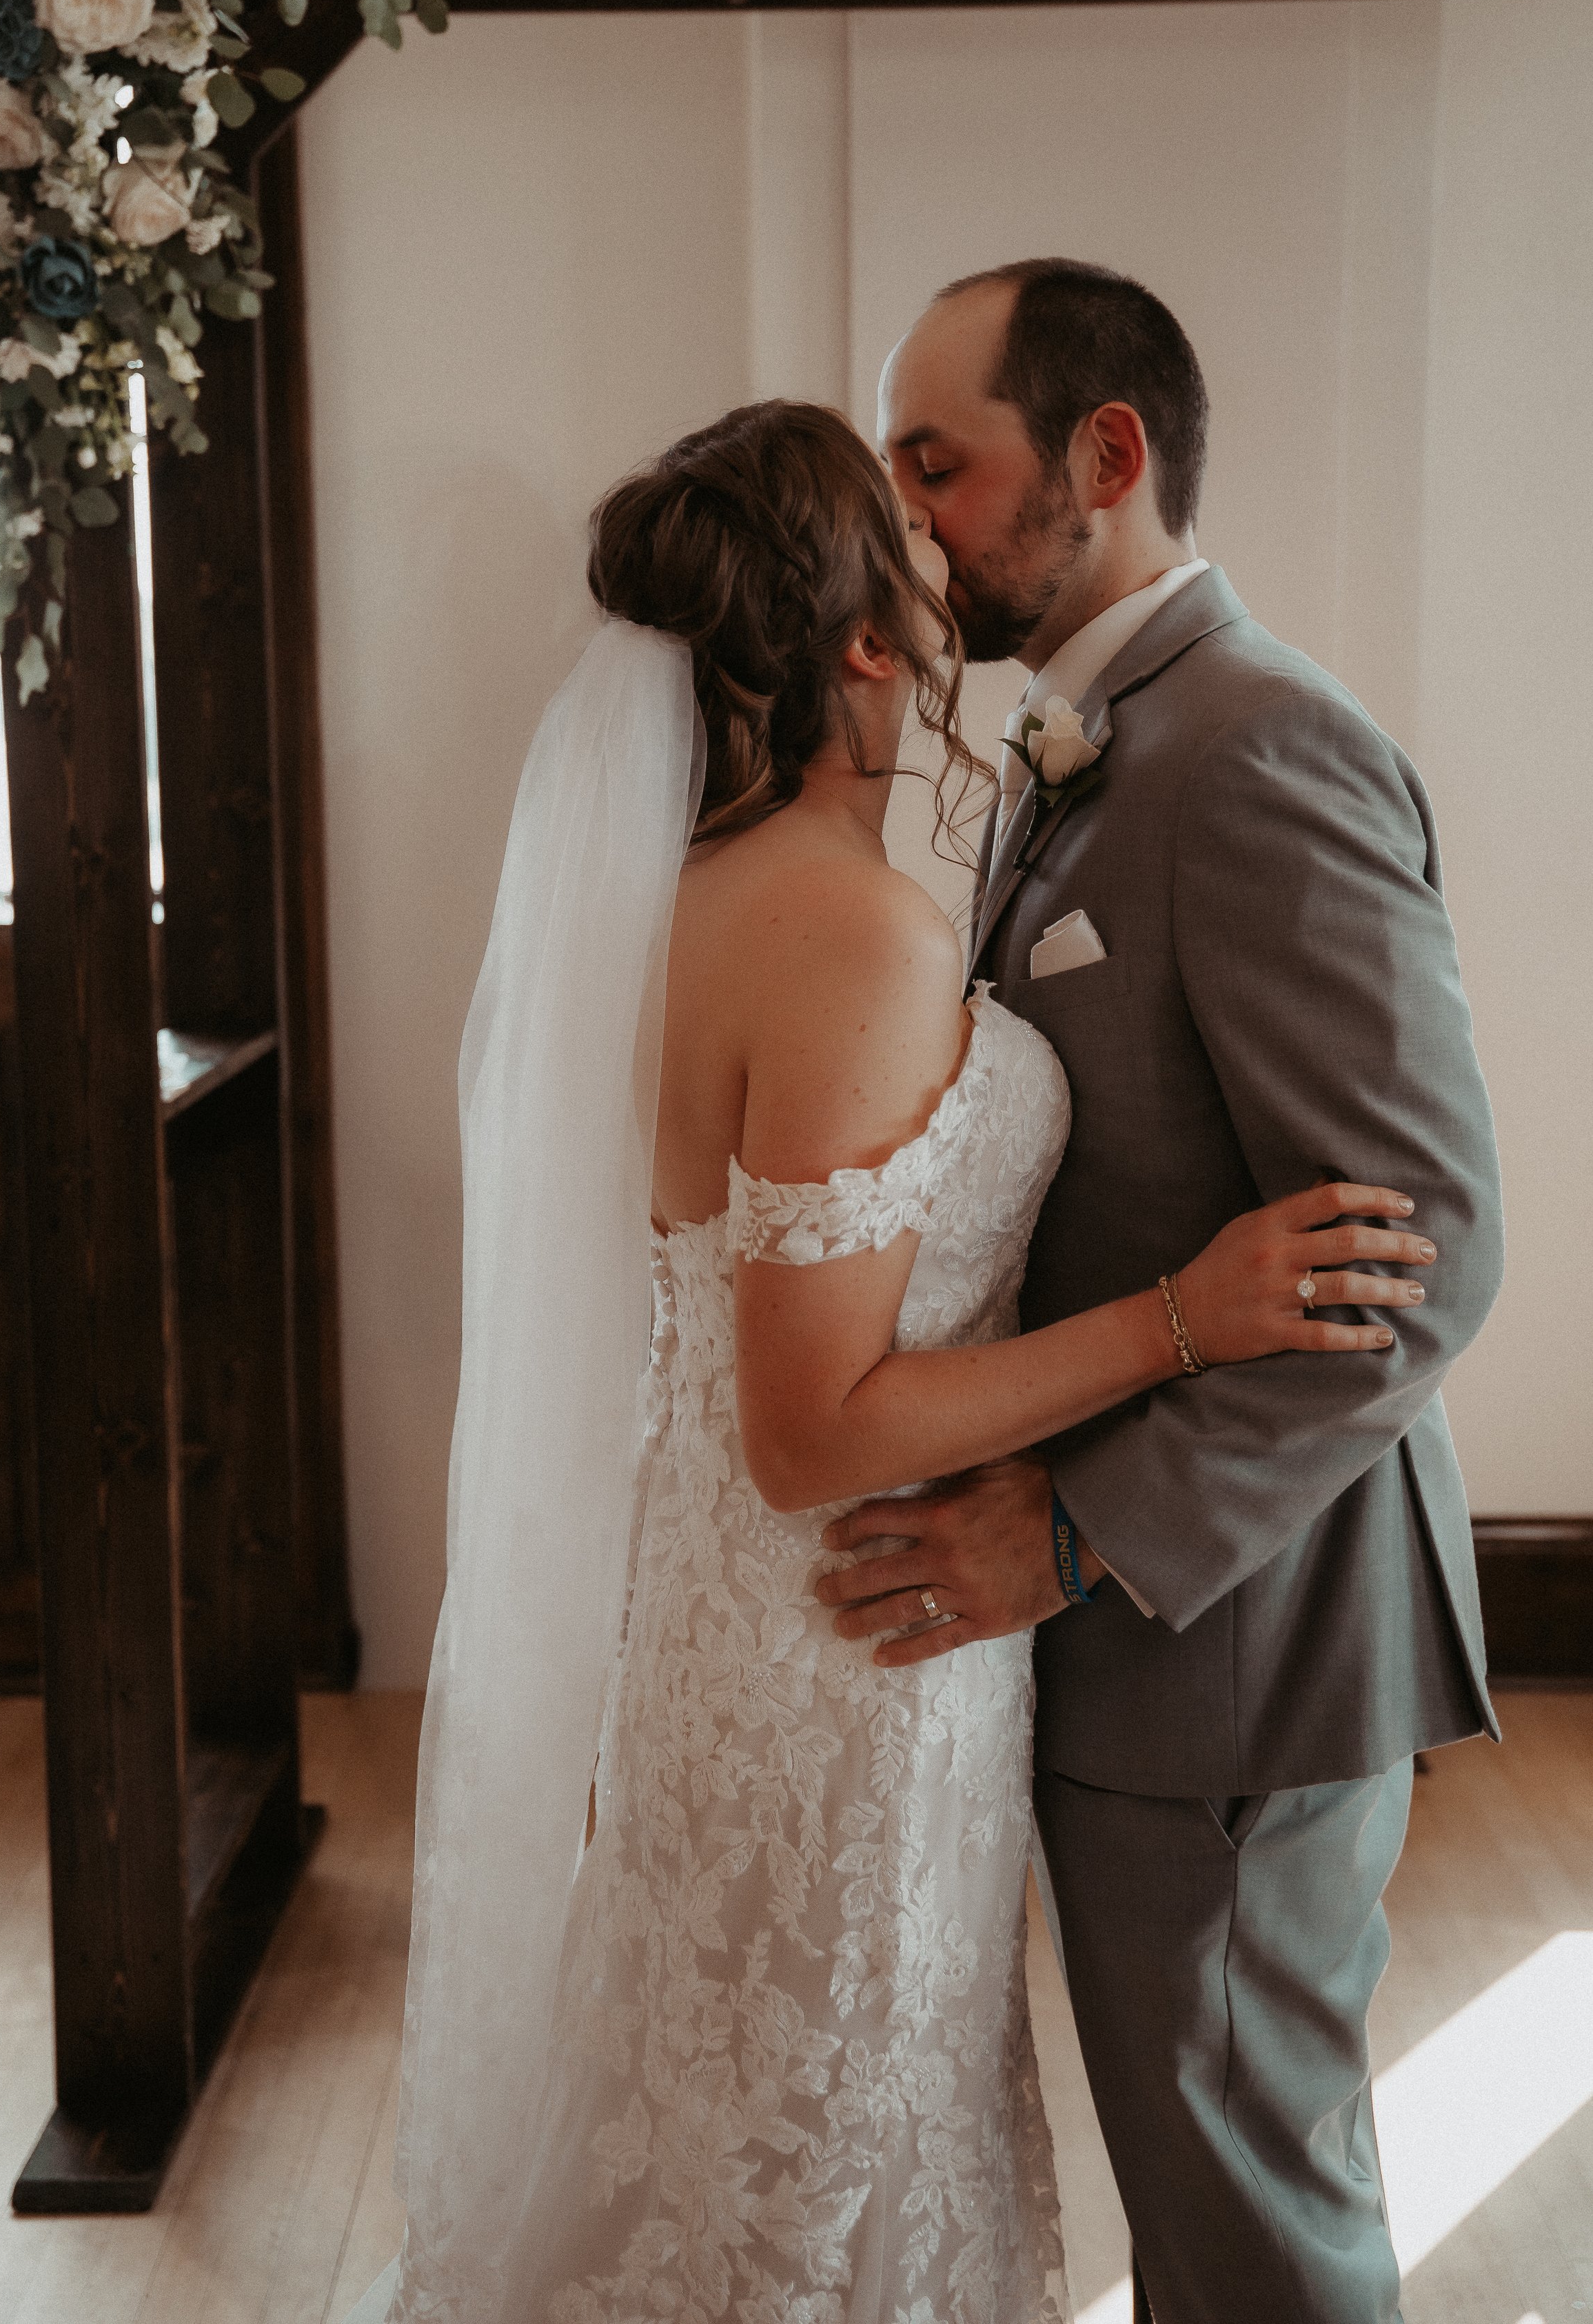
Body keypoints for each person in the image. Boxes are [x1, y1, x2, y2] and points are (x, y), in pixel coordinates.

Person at [349, 397, 1440, 2324]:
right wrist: (1188, 1317)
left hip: (753, 1628)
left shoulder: (695, 907)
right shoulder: (838, 933)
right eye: (910, 519)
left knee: (746, 2115)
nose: (947, 565)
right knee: (807, 2133)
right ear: (861, 639)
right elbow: (812, 1429)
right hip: (846, 1630)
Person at [814, 259, 1504, 2322]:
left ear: (1102, 458)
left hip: (1235, 1645)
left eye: (937, 463)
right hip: (1140, 1650)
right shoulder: (1071, 743)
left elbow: (1421, 1249)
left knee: (1245, 2220)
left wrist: (1082, 1527)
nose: (905, 515)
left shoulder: (1258, 750)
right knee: (1207, 2190)